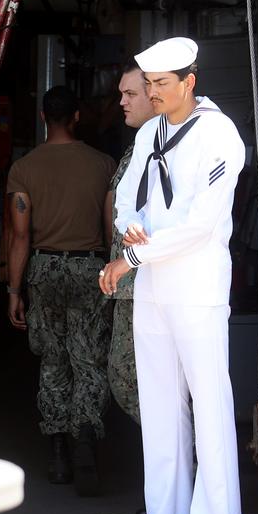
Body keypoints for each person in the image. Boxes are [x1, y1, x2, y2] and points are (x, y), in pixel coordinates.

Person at [101, 37, 246, 514]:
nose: (153, 94)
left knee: (209, 403)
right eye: (150, 85)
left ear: (190, 82)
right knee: (161, 406)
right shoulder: (151, 133)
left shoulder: (218, 136)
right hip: (154, 287)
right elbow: (126, 196)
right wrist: (129, 229)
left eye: (162, 84)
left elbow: (200, 225)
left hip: (196, 284)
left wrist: (131, 258)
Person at [4, 85, 118, 495]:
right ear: (76, 117)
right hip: (91, 268)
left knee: (53, 360)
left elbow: (19, 238)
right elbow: (111, 232)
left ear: (42, 118)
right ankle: (85, 444)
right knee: (89, 361)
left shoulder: (25, 168)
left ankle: (56, 455)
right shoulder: (104, 165)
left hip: (44, 267)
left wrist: (14, 291)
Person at [105, 65, 156, 425]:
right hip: (130, 284)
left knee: (128, 376)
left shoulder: (163, 149)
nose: (121, 102)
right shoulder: (143, 144)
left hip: (147, 282)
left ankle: (186, 456)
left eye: (131, 94)